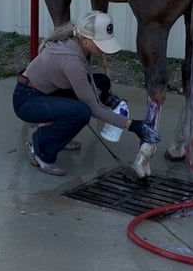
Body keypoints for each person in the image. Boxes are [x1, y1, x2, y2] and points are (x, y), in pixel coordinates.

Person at [12, 10, 160, 176]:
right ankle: (42, 150)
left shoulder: (76, 43)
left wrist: (106, 99)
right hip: (28, 100)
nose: (103, 48)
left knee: (102, 82)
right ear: (84, 39)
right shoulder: (72, 62)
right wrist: (133, 125)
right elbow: (94, 108)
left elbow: (89, 85)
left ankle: (58, 134)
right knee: (81, 112)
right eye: (99, 42)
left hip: (47, 91)